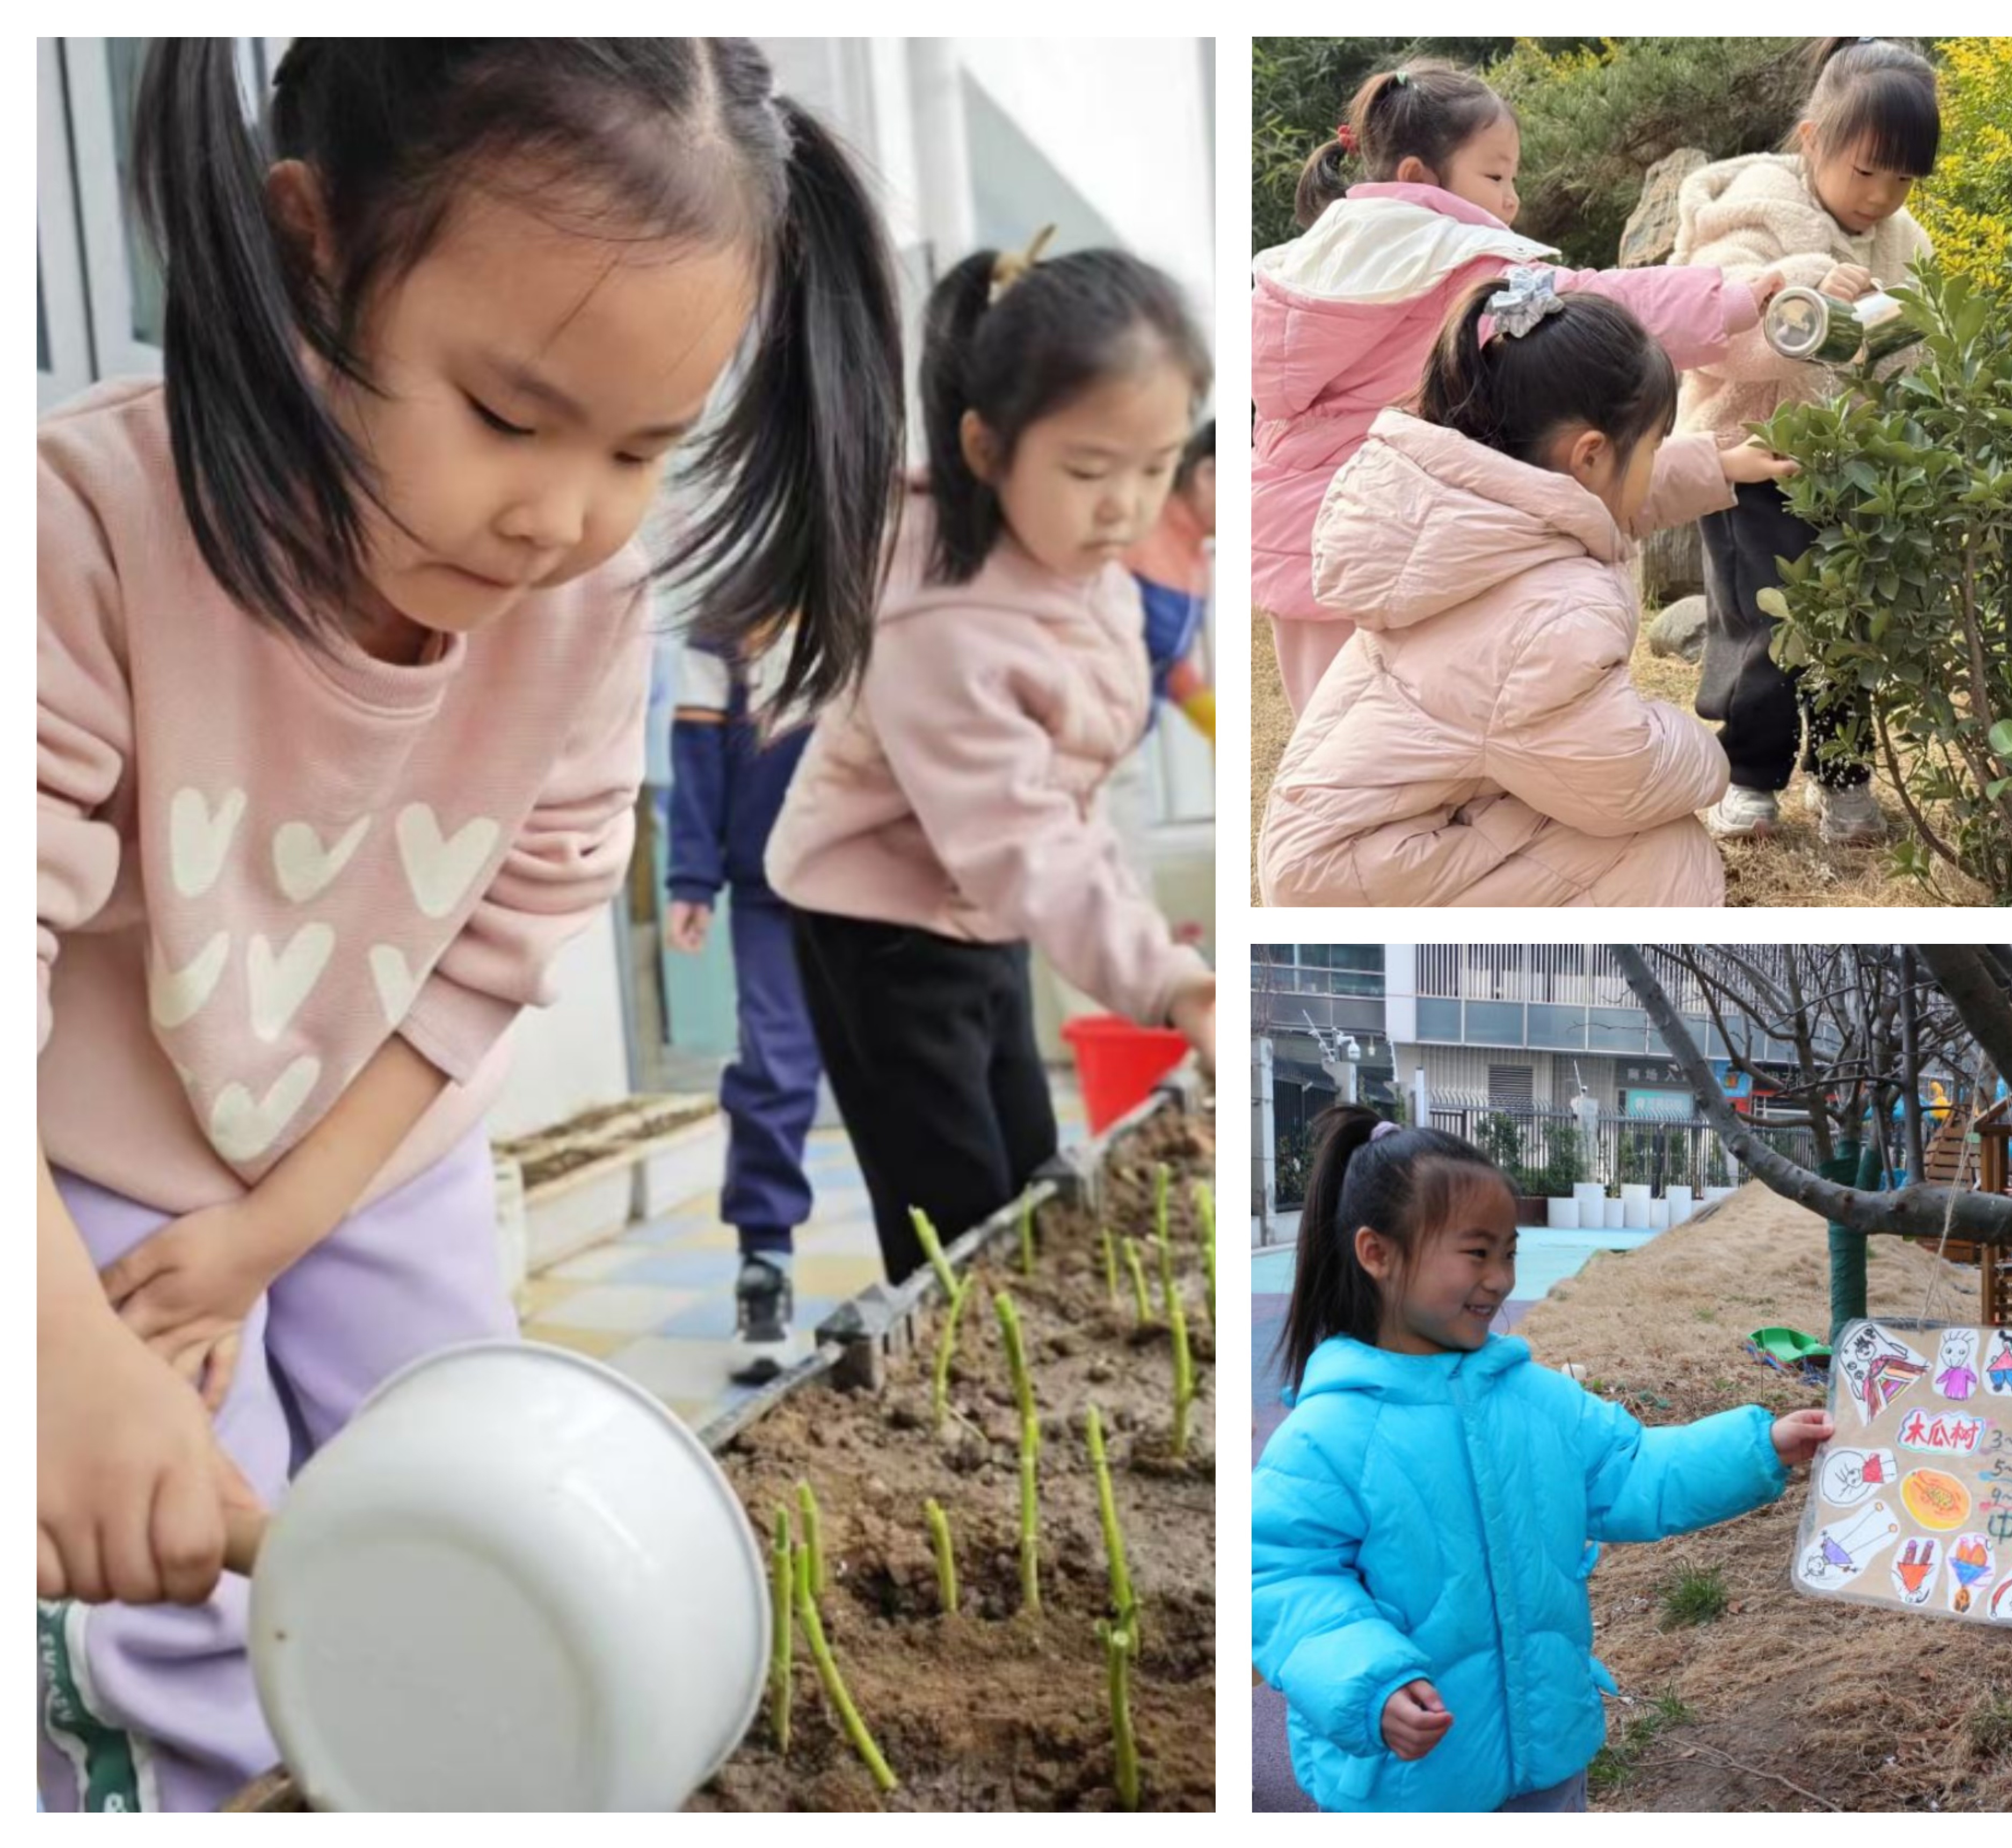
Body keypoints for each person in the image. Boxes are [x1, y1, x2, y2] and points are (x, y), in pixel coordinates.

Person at [35, 39, 905, 1811]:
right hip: (92, 1170)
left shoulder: (586, 595)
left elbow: (503, 940)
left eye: (643, 448)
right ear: (310, 252)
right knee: (177, 1567)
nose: (561, 516)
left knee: (451, 1471)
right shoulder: (78, 536)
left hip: (375, 1141)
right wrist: (49, 1350)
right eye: (510, 416)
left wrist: (282, 1223)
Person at [766, 239, 1219, 1290]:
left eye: (1154, 470)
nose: (1125, 507)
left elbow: (1060, 808)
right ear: (985, 448)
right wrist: (1164, 976)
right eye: (1088, 470)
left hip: (979, 904)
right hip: (880, 926)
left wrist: (1153, 953)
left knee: (1024, 1169)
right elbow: (1023, 837)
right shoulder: (945, 619)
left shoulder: (1078, 555)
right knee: (952, 1211)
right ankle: (953, 1404)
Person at [1253, 1107, 1833, 1811]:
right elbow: (1284, 1581)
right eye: (1475, 1252)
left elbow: (1635, 1470)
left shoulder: (1538, 1401)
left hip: (1548, 1754)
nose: (1498, 1278)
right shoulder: (1328, 1434)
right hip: (1407, 1781)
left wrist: (1761, 1446)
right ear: (1377, 1253)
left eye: (1509, 1252)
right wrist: (1367, 1680)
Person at [1253, 58, 1786, 719]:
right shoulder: (1459, 262)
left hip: (1297, 544)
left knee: (1329, 736)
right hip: (1401, 529)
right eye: (1496, 175)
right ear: (1420, 177)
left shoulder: (1301, 270)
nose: (1511, 199)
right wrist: (1731, 301)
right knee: (1414, 726)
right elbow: (1595, 303)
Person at [1255, 271, 1796, 907]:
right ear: (1590, 455)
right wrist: (1711, 756)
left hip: (1340, 848)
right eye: (1654, 446)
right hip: (1365, 875)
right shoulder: (1550, 613)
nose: (1655, 460)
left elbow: (1601, 506)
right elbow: (1623, 779)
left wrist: (1717, 463)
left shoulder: (1466, 509)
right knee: (1660, 853)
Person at [1672, 37, 1939, 846]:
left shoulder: (1907, 242)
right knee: (1762, 626)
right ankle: (1751, 779)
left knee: (1852, 625)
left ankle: (1843, 775)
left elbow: (1920, 350)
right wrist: (1801, 291)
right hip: (1753, 460)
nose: (1881, 196)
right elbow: (1709, 336)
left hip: (1853, 468)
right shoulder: (1749, 211)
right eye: (1865, 172)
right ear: (1811, 139)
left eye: (1902, 179)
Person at [665, 637, 827, 1381]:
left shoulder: (887, 583)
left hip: (893, 874)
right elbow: (696, 752)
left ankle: (938, 1268)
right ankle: (765, 1263)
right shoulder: (727, 620)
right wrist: (692, 877)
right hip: (772, 884)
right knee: (773, 1067)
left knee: (909, 1075)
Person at [1123, 419, 1217, 746]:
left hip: (1129, 733)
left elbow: (1162, 660)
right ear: (1207, 475)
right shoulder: (1135, 530)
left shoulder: (1198, 560)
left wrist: (1211, 717)